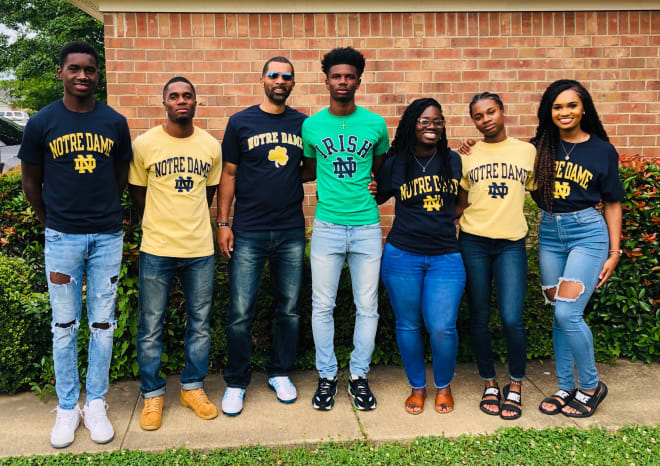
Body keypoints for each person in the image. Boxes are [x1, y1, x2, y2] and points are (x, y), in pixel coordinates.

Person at [19, 41, 132, 448]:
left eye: (89, 69)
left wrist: (102, 214)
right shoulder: (42, 122)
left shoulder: (114, 122)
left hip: (106, 237)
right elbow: (30, 180)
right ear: (61, 73)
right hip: (62, 238)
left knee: (103, 325)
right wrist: (53, 223)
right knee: (64, 326)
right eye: (74, 68)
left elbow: (120, 174)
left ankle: (96, 403)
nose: (82, 75)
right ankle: (68, 407)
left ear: (98, 74)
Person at [218, 57, 313, 416]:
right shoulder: (240, 122)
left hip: (289, 229)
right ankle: (236, 381)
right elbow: (229, 174)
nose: (280, 81)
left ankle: (279, 371)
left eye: (287, 77)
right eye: (273, 75)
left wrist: (285, 179)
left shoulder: (303, 123)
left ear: (293, 83)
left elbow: (309, 168)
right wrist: (223, 224)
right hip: (249, 230)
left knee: (288, 309)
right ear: (261, 79)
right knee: (241, 311)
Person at [129, 76, 222, 430]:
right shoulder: (145, 144)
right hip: (157, 248)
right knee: (151, 325)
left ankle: (192, 388)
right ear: (164, 103)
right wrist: (158, 224)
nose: (181, 101)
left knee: (199, 324)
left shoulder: (210, 145)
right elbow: (138, 194)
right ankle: (152, 395)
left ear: (196, 102)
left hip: (199, 248)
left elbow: (209, 194)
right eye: (174, 96)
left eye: (187, 96)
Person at [302, 46, 389, 411]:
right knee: (322, 305)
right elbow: (307, 168)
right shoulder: (312, 124)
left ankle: (358, 376)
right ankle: (326, 376)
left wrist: (378, 188)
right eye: (336, 76)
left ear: (358, 80)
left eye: (349, 76)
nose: (342, 81)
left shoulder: (375, 123)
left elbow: (382, 171)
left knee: (367, 306)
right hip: (327, 226)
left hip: (367, 226)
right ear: (326, 80)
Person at [533, 79, 623, 418]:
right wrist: (472, 149)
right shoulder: (540, 145)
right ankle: (564, 386)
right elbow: (507, 161)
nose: (565, 112)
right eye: (557, 107)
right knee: (558, 314)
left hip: (587, 234)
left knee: (568, 312)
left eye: (571, 105)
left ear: (584, 107)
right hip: (549, 234)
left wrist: (614, 253)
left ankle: (589, 385)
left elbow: (613, 203)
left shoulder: (602, 150)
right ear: (549, 112)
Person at [377, 98, 464, 415]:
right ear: (412, 123)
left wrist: (445, 220)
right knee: (409, 325)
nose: (432, 126)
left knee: (443, 326)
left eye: (438, 121)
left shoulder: (453, 160)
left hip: (445, 256)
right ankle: (417, 386)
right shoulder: (395, 162)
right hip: (402, 255)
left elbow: (462, 200)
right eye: (425, 121)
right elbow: (378, 193)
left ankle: (444, 385)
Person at [456, 92, 536, 420]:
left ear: (503, 111)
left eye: (491, 112)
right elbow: (460, 202)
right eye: (478, 116)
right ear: (473, 121)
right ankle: (489, 381)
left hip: (511, 244)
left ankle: (515, 384)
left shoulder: (526, 151)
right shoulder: (466, 154)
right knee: (479, 316)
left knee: (512, 318)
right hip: (473, 242)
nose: (486, 119)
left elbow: (538, 189)